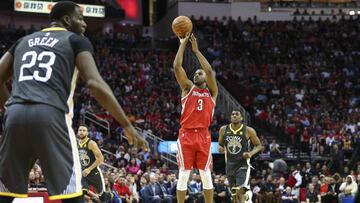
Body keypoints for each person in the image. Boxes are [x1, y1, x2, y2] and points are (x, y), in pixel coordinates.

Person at [0, 1, 148, 203]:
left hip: (14, 117)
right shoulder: (75, 40)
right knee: (71, 194)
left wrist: (9, 106)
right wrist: (126, 124)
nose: (85, 24)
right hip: (51, 116)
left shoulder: (22, 41)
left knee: (6, 193)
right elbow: (95, 84)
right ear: (68, 20)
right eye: (81, 18)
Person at [173, 33, 218, 203]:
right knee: (183, 174)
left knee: (206, 174)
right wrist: (182, 44)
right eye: (195, 74)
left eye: (199, 74)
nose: (196, 75)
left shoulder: (212, 92)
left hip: (204, 135)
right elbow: (177, 66)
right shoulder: (187, 88)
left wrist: (197, 50)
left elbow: (208, 70)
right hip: (186, 134)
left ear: (206, 78)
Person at [218, 110, 262, 203]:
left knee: (240, 191)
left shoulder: (249, 130)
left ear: (241, 118)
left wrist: (250, 153)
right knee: (234, 195)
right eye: (232, 114)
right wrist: (220, 148)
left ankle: (245, 196)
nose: (234, 116)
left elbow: (259, 146)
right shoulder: (223, 129)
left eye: (237, 114)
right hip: (229, 165)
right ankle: (246, 197)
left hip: (243, 165)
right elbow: (220, 145)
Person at [77, 124, 113, 202]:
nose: (81, 132)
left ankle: (111, 194)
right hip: (84, 174)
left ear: (87, 133)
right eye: (80, 130)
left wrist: (89, 169)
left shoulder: (91, 143)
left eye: (84, 130)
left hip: (94, 173)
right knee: (81, 192)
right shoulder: (76, 144)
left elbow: (101, 158)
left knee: (103, 198)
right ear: (77, 132)